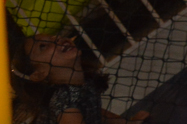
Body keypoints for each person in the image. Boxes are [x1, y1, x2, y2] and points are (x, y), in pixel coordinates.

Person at [9, 30, 149, 124]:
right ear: (39, 74)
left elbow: (96, 112)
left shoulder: (82, 81)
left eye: (53, 37)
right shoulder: (64, 103)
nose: (57, 39)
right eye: (44, 46)